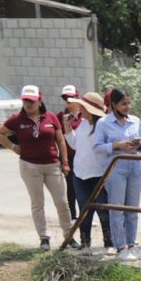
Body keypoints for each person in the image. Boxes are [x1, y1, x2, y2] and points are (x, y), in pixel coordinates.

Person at [0, 85, 75, 251]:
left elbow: (60, 141)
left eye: (31, 101)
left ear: (39, 101)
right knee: (38, 203)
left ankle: (69, 236)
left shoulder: (51, 117)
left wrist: (64, 161)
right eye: (25, 101)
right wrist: (13, 147)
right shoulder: (17, 119)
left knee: (62, 202)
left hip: (52, 165)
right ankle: (44, 238)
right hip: (30, 166)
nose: (28, 104)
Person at [93, 88, 141, 260]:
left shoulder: (135, 121)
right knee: (117, 209)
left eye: (129, 103)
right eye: (123, 104)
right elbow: (97, 148)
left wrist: (138, 146)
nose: (127, 107)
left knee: (132, 209)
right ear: (114, 105)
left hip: (135, 167)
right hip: (116, 168)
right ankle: (120, 247)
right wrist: (116, 146)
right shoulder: (103, 123)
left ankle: (132, 244)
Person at [64, 91, 113, 254]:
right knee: (84, 210)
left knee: (103, 209)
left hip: (98, 173)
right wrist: (67, 128)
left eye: (83, 106)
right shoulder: (83, 124)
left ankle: (109, 243)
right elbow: (74, 145)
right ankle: (86, 244)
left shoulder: (103, 125)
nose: (80, 109)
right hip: (80, 174)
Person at [58, 85, 81, 222]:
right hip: (69, 156)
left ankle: (84, 213)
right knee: (71, 186)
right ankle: (72, 215)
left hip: (83, 156)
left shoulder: (84, 115)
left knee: (84, 186)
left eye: (71, 97)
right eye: (65, 97)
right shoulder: (61, 116)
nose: (68, 100)